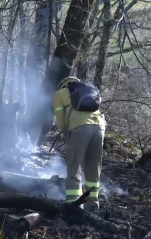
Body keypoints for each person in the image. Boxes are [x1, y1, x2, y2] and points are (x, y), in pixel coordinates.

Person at [51, 76, 106, 212]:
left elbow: (62, 123)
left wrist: (66, 131)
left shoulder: (59, 94)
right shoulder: (90, 91)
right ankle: (92, 205)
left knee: (74, 165)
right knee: (93, 167)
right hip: (99, 127)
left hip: (80, 128)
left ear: (63, 86)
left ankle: (74, 205)